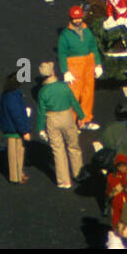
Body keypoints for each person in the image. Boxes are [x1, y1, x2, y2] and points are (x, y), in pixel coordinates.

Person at [34, 60, 85, 189]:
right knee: (73, 146)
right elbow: (73, 102)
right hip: (67, 117)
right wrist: (81, 116)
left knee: (58, 150)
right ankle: (78, 173)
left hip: (52, 120)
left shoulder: (42, 92)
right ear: (52, 72)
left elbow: (41, 112)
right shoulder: (63, 86)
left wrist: (40, 129)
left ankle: (64, 181)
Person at [58, 6, 103, 130]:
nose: (77, 20)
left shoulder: (87, 30)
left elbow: (94, 47)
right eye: (75, 18)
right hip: (74, 65)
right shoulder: (65, 35)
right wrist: (65, 71)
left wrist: (98, 64)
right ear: (70, 19)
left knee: (88, 93)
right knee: (73, 95)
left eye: (79, 18)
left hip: (89, 63)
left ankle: (85, 120)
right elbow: (61, 54)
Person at [0, 72, 33, 184]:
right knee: (16, 154)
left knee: (18, 152)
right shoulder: (13, 97)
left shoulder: (7, 94)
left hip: (11, 127)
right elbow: (17, 115)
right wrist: (24, 131)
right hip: (14, 130)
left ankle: (19, 173)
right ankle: (16, 176)